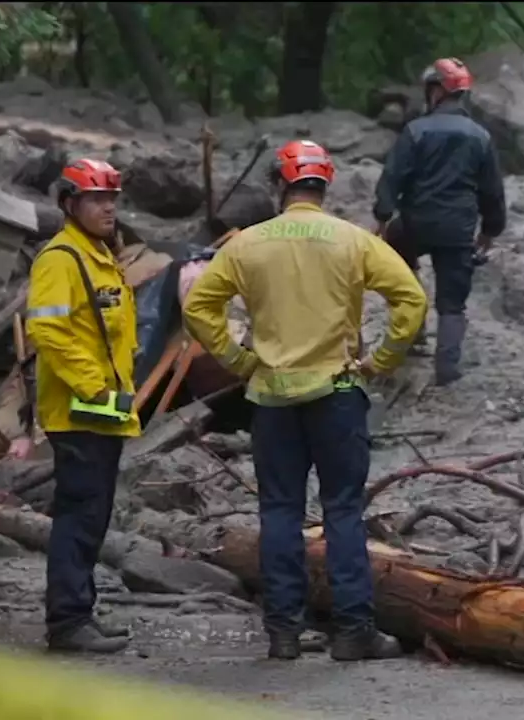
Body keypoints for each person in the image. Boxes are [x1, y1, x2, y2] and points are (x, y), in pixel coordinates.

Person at [182, 140, 427, 662]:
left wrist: (240, 360)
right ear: (324, 185)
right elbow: (412, 297)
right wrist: (382, 360)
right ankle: (352, 631)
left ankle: (284, 631)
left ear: (280, 185)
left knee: (279, 512)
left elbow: (199, 306)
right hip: (337, 394)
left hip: (270, 398)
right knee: (341, 510)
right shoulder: (352, 240)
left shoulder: (248, 244)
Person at [25, 158, 139, 654]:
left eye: (112, 198)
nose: (108, 207)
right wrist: (93, 386)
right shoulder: (62, 259)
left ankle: (79, 612)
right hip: (79, 411)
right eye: (97, 199)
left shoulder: (97, 256)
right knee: (79, 515)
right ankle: (68, 620)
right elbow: (46, 329)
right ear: (70, 204)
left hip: (101, 410)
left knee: (93, 516)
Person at [373, 57, 507, 386]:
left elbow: (392, 177)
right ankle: (446, 370)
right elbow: (492, 190)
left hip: (415, 223)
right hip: (458, 228)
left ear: (435, 91)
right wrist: (490, 230)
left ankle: (412, 333)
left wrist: (383, 217)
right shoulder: (480, 136)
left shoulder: (415, 130)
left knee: (400, 267)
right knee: (452, 303)